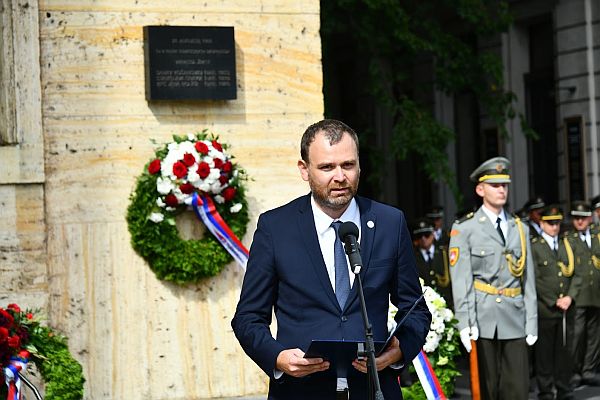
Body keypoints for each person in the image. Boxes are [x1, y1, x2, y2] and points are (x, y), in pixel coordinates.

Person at [231, 119, 432, 400]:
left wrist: (399, 351)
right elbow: (248, 318)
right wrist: (278, 358)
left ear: (359, 165)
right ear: (304, 169)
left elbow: (416, 309)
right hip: (300, 391)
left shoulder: (389, 222)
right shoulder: (275, 228)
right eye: (327, 167)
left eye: (348, 165)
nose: (340, 177)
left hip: (372, 389)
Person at [448, 156, 538, 400]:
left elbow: (528, 280)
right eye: (495, 185)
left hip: (515, 316)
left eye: (504, 185)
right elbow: (462, 281)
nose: (501, 190)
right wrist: (465, 322)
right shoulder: (464, 229)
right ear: (480, 189)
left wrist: (531, 321)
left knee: (517, 390)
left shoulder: (521, 227)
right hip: (483, 317)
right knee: (486, 390)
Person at [531, 205, 580, 400]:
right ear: (542, 223)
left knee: (564, 352)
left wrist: (569, 296)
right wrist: (554, 300)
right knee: (544, 354)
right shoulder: (535, 246)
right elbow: (535, 278)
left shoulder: (567, 244)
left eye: (557, 223)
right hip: (546, 309)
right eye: (550, 223)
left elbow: (578, 274)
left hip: (567, 308)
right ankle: (545, 391)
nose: (554, 227)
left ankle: (564, 388)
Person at [565, 201, 600, 387]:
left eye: (583, 218)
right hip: (578, 295)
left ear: (589, 218)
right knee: (577, 334)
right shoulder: (568, 239)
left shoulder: (597, 236)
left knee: (595, 334)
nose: (580, 221)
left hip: (596, 293)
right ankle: (574, 371)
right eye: (576, 218)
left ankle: (589, 369)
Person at [412, 217, 453, 309]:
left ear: (433, 234)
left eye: (426, 235)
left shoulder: (445, 254)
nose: (423, 239)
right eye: (419, 236)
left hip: (447, 306)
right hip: (423, 308)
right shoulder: (412, 258)